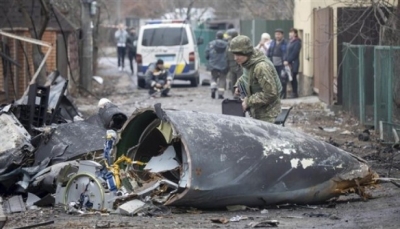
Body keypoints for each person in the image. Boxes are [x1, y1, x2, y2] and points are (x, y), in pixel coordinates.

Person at [230, 35, 282, 123]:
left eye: (238, 55)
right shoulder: (248, 62)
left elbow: (270, 94)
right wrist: (238, 85)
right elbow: (247, 76)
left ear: (246, 52)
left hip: (268, 116)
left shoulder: (261, 67)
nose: (235, 58)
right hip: (258, 113)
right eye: (234, 54)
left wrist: (248, 102)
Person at [205, 31, 229, 99]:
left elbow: (207, 54)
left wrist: (209, 59)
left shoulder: (211, 44)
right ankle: (220, 94)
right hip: (223, 65)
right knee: (222, 79)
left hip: (213, 64)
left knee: (213, 77)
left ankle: (213, 88)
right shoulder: (227, 45)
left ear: (216, 36)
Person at [267, 28, 288, 99]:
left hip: (281, 64)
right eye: (276, 34)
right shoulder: (273, 42)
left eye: (279, 34)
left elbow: (286, 53)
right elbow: (269, 52)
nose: (277, 36)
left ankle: (283, 94)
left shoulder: (285, 43)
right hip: (273, 63)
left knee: (282, 79)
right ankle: (276, 94)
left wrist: (285, 60)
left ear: (282, 35)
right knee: (274, 80)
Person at [284, 28, 302, 98]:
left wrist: (288, 60)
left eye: (291, 33)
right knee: (290, 78)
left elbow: (294, 53)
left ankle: (295, 92)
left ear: (295, 34)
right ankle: (292, 92)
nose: (290, 34)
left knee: (293, 78)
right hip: (288, 63)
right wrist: (285, 59)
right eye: (290, 32)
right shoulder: (290, 42)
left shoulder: (297, 42)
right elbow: (286, 52)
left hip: (294, 63)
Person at [225, 29, 242, 97]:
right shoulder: (238, 44)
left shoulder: (229, 45)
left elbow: (226, 56)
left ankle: (234, 94)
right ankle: (238, 94)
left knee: (233, 80)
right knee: (239, 80)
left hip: (231, 65)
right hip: (238, 65)